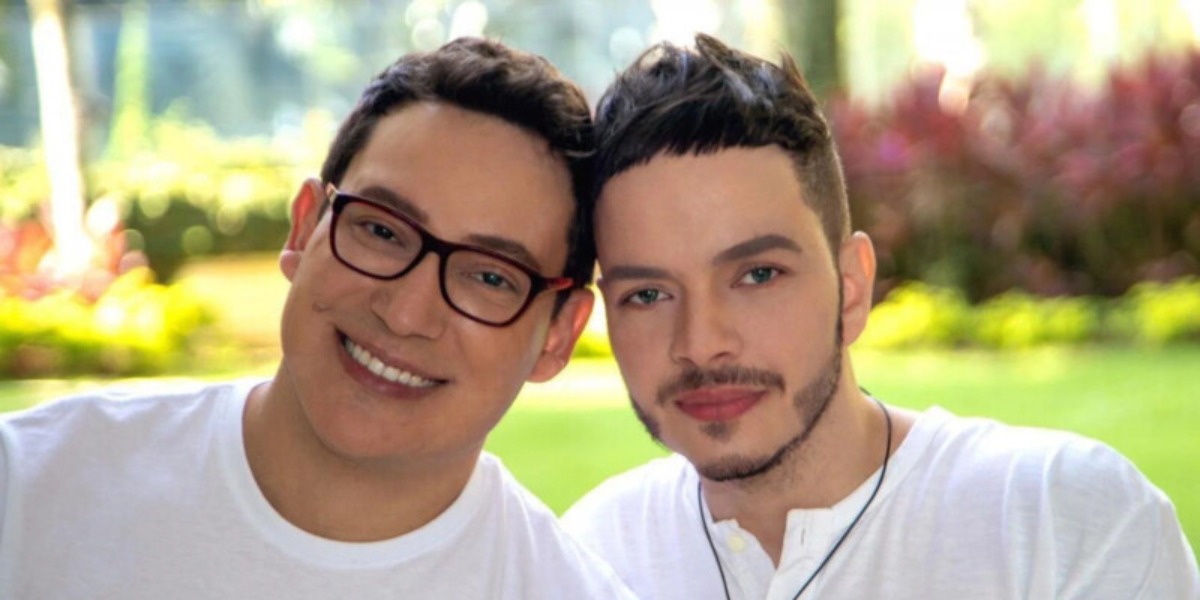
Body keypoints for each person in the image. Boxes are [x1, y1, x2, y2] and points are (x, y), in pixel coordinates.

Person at [561, 33, 1199, 599]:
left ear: (853, 288)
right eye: (647, 294)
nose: (701, 343)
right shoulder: (586, 561)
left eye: (757, 275)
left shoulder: (1063, 523)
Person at [0, 37, 636, 599]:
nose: (408, 312)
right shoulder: (29, 493)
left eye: (491, 277)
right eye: (382, 231)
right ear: (305, 227)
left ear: (558, 335)